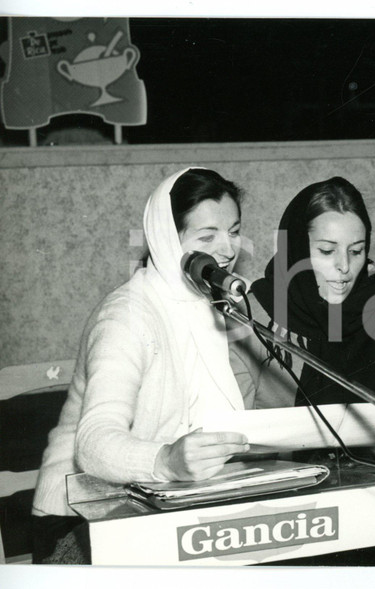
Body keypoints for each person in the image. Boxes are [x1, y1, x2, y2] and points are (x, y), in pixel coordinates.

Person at [31, 168, 251, 564]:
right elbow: (93, 443)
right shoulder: (127, 316)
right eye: (207, 236)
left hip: (161, 505)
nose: (227, 249)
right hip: (75, 519)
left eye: (234, 232)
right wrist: (166, 460)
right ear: (168, 239)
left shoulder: (206, 307)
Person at [231, 176, 375, 412]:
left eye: (356, 251)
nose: (344, 266)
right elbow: (236, 434)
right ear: (296, 249)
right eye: (327, 251)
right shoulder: (250, 316)